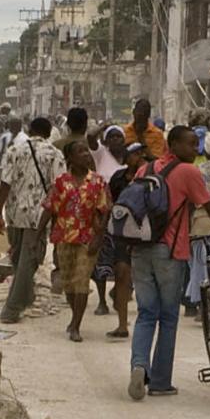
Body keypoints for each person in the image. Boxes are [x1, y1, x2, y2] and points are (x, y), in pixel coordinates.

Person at [130, 124, 210, 400]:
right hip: (170, 252)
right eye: (189, 144)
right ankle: (160, 381)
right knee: (168, 316)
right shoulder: (189, 172)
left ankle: (139, 365)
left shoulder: (146, 169)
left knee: (145, 313)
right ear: (172, 145)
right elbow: (209, 205)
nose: (195, 149)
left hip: (140, 249)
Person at [0, 116, 59, 321]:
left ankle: (25, 295)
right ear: (48, 134)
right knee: (28, 259)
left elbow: (5, 183)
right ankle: (11, 309)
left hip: (14, 214)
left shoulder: (14, 150)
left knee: (19, 257)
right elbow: (58, 188)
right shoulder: (54, 154)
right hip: (38, 216)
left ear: (29, 131)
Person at [45, 141, 111, 342]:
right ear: (70, 158)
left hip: (87, 238)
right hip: (64, 237)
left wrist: (99, 238)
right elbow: (49, 208)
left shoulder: (98, 182)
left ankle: (76, 325)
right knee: (69, 283)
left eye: (86, 151)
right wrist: (39, 234)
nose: (85, 155)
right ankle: (75, 316)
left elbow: (105, 210)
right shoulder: (60, 182)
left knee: (81, 281)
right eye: (80, 152)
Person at [94, 133, 139, 334]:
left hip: (141, 234)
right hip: (118, 231)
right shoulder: (119, 178)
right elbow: (108, 202)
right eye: (135, 154)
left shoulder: (149, 178)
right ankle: (120, 322)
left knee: (129, 275)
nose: (138, 159)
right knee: (114, 271)